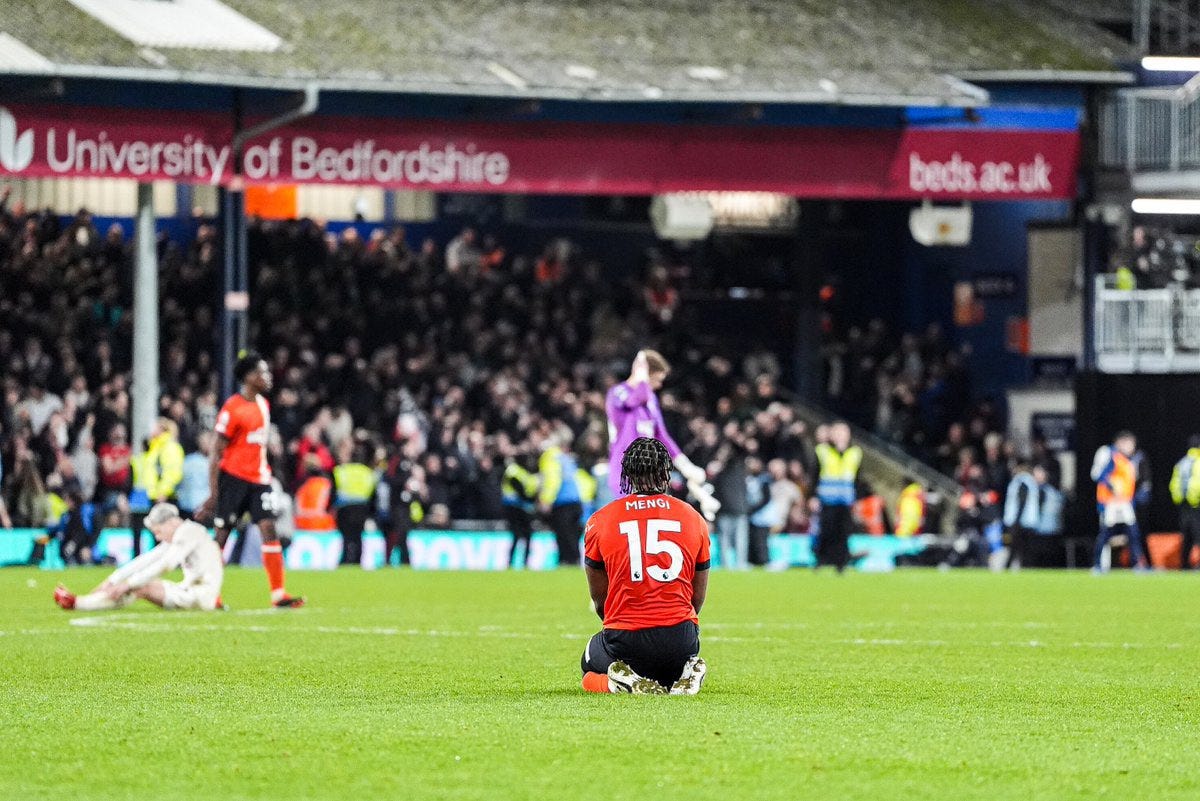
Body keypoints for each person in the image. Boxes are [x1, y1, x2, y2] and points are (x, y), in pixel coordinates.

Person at [580, 438, 709, 695]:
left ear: (626, 474)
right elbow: (697, 598)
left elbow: (599, 599)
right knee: (669, 663)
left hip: (625, 637)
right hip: (681, 640)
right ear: (665, 473)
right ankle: (686, 670)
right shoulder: (693, 518)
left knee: (588, 666)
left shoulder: (601, 520)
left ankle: (616, 682)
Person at [196, 353, 304, 607]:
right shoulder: (233, 408)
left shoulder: (263, 406)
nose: (268, 377)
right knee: (222, 535)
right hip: (233, 479)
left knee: (269, 528)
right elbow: (216, 451)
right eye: (263, 372)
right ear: (248, 377)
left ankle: (278, 594)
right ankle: (210, 594)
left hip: (259, 479)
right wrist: (214, 493)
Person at [605, 350, 719, 519]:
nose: (659, 386)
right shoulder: (617, 394)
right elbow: (633, 400)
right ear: (642, 372)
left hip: (650, 474)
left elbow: (661, 434)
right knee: (634, 529)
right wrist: (641, 375)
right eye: (657, 379)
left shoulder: (651, 399)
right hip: (626, 474)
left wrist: (684, 464)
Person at [53, 503, 224, 612]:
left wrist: (126, 584)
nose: (157, 537)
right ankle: (83, 602)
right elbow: (148, 559)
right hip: (198, 592)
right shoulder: (185, 533)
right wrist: (113, 580)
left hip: (200, 596)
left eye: (158, 531)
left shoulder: (188, 532)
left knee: (139, 587)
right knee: (136, 584)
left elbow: (166, 565)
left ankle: (77, 603)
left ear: (171, 523)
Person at [1091, 431, 1148, 573]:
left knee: (1133, 533)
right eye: (1130, 444)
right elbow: (1098, 474)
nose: (1132, 447)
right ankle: (1097, 565)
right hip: (1111, 502)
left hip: (1125, 502)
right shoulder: (1109, 454)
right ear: (1121, 442)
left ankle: (1138, 565)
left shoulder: (1126, 459)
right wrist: (1111, 486)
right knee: (1105, 534)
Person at [129, 418, 185, 557]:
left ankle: (172, 559)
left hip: (164, 496)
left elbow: (172, 472)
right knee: (159, 532)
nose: (152, 431)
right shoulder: (157, 447)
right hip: (155, 496)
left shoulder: (169, 447)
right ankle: (163, 560)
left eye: (155, 428)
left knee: (167, 531)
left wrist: (163, 491)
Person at [813, 422, 863, 572]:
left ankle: (841, 563)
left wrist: (858, 499)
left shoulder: (855, 452)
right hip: (827, 499)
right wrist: (812, 496)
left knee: (843, 531)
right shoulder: (822, 451)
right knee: (825, 530)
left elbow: (858, 479)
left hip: (846, 500)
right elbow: (814, 474)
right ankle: (821, 560)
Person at [538, 427, 583, 567]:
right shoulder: (567, 458)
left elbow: (552, 480)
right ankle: (575, 562)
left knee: (564, 535)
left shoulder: (551, 456)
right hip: (576, 501)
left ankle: (566, 562)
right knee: (573, 536)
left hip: (562, 502)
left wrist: (546, 500)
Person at [332, 439, 377, 566]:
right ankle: (358, 561)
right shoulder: (368, 473)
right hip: (362, 508)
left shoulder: (341, 470)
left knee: (346, 537)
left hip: (344, 508)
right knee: (358, 537)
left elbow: (334, 491)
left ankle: (346, 560)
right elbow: (373, 495)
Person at [501, 447, 540, 568]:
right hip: (514, 508)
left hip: (519, 508)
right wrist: (534, 500)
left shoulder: (521, 472)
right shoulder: (514, 471)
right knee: (521, 534)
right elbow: (522, 492)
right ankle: (519, 562)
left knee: (521, 535)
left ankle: (517, 562)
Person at [1169, 435, 1200, 570]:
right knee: (1197, 534)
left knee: (1186, 535)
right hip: (1197, 502)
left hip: (1183, 503)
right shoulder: (1198, 461)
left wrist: (1178, 497)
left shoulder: (1181, 462)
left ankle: (1184, 564)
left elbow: (1174, 483)